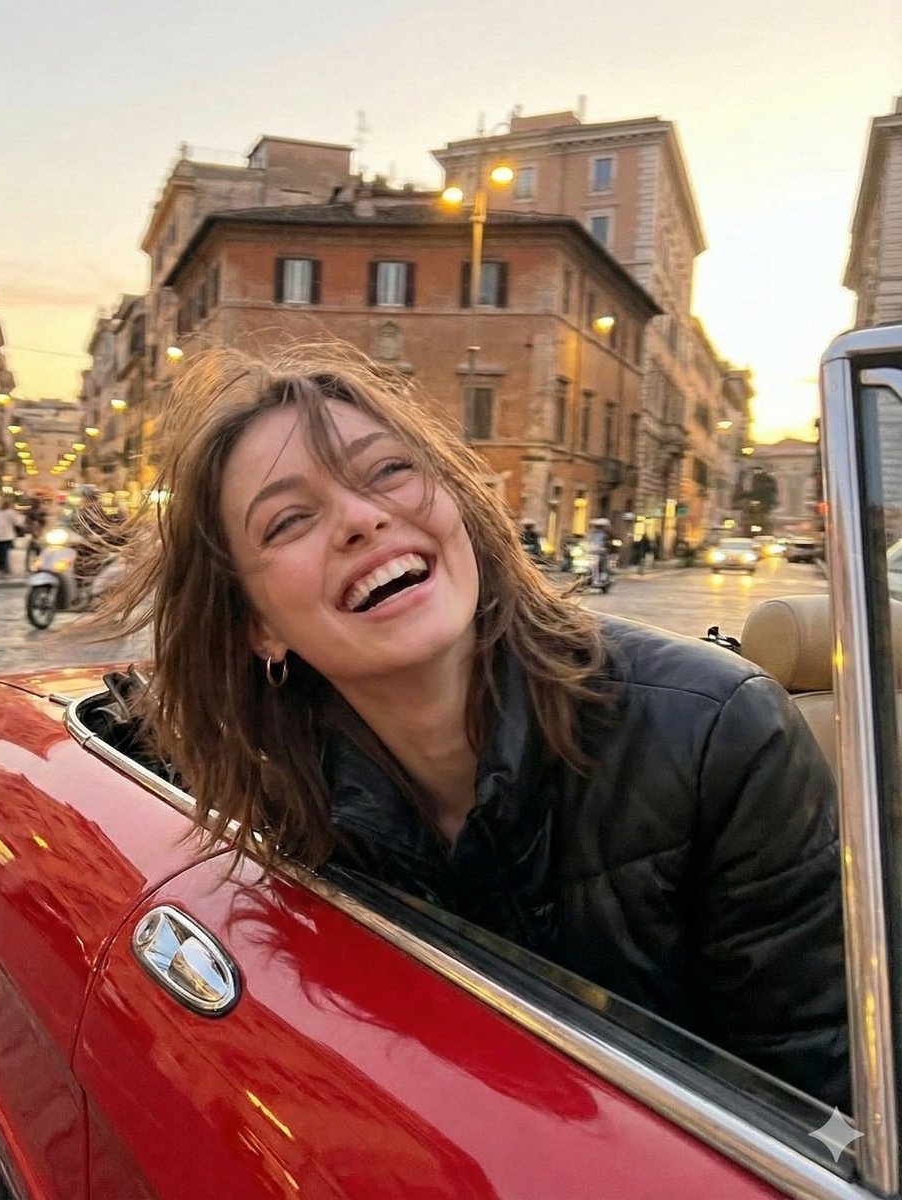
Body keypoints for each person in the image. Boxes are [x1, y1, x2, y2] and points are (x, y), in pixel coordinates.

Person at [99, 344, 848, 1109]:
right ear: (258, 626)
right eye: (290, 519)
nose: (362, 518)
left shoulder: (720, 734)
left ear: (457, 505)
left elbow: (818, 1103)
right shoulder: (276, 787)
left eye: (388, 471)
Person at [0, 498, 22, 575]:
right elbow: (18, 522)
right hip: (7, 535)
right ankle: (5, 568)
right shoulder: (10, 512)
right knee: (5, 552)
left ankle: (1, 567)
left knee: (0, 553)